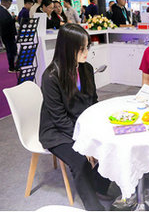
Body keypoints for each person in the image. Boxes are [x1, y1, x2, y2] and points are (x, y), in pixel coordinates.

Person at [40, 24, 115, 211]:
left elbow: (93, 102)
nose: (86, 52)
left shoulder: (86, 68)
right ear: (67, 48)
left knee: (111, 143)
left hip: (81, 123)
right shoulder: (51, 76)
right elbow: (59, 118)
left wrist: (98, 127)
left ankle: (98, 186)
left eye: (87, 47)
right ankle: (93, 206)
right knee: (80, 160)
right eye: (82, 49)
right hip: (57, 130)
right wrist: (84, 141)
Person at [0, 0, 18, 72]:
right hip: (7, 34)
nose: (10, 6)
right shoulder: (0, 10)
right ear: (5, 2)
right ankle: (11, 68)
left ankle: (13, 66)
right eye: (9, 4)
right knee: (10, 51)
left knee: (13, 50)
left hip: (8, 34)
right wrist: (14, 19)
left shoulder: (1, 10)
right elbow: (5, 22)